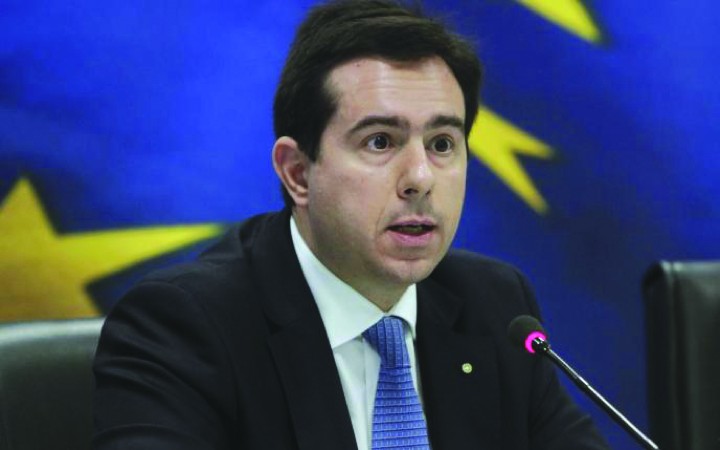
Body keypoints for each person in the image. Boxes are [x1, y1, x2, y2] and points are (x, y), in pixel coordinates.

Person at [93, 1, 609, 449]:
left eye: (442, 144)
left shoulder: (495, 308)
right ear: (298, 173)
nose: (420, 178)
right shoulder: (185, 326)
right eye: (380, 141)